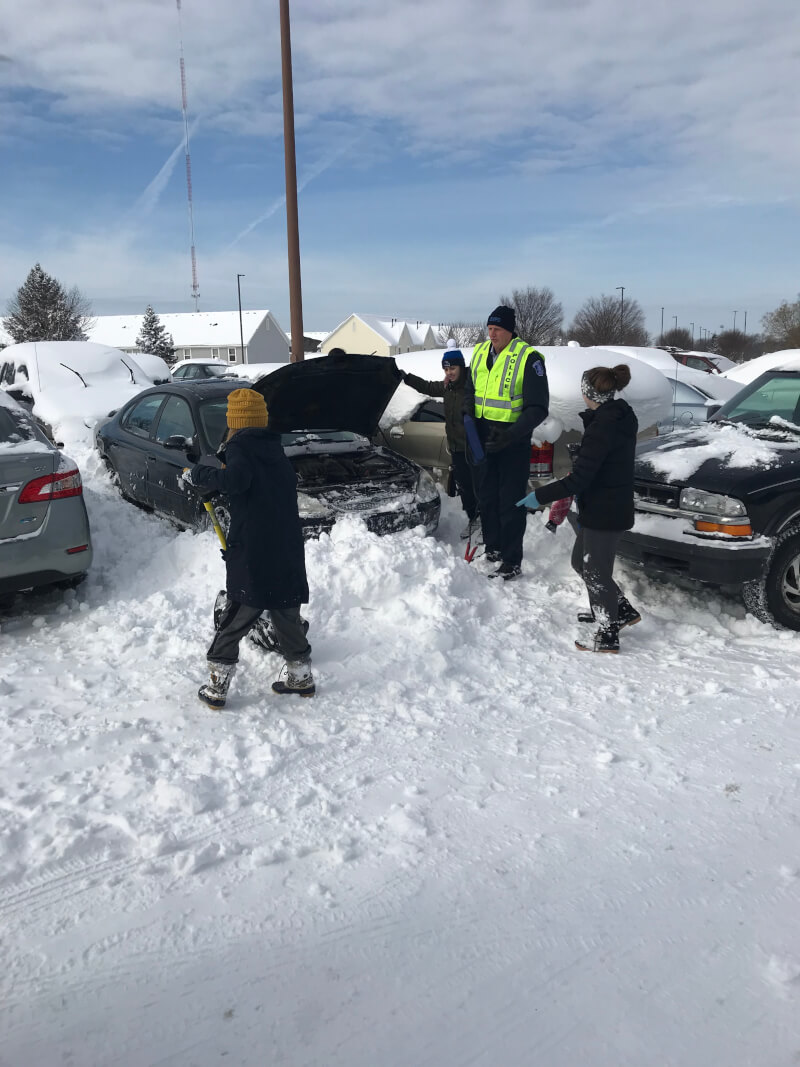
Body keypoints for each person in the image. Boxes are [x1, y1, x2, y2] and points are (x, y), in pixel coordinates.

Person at [185, 388, 314, 706]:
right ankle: (300, 676)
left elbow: (238, 480)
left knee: (238, 613)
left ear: (236, 421)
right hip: (285, 548)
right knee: (286, 614)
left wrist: (201, 474)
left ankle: (216, 685)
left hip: (256, 552)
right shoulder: (273, 448)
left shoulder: (241, 446)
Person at [516, 364, 641, 653]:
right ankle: (619, 609)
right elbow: (603, 461)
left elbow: (581, 477)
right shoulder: (616, 416)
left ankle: (607, 632)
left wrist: (540, 496)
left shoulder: (604, 426)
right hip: (605, 504)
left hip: (604, 510)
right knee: (580, 562)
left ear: (587, 393)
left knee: (596, 572)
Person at [463, 305, 549, 580]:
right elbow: (470, 388)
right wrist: (467, 410)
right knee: (486, 497)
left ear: (510, 330)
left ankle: (512, 560)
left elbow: (538, 408)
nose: (492, 334)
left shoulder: (528, 357)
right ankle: (494, 548)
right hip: (483, 436)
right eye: (489, 329)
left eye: (497, 329)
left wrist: (511, 434)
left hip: (512, 440)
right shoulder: (479, 353)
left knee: (511, 502)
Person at [400, 340, 478, 539]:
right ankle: (474, 520)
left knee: (479, 486)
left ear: (461, 366)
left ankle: (486, 521)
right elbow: (427, 387)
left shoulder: (473, 386)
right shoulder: (447, 387)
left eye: (453, 368)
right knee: (466, 487)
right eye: (446, 369)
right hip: (457, 448)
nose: (449, 372)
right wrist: (406, 378)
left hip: (474, 447)